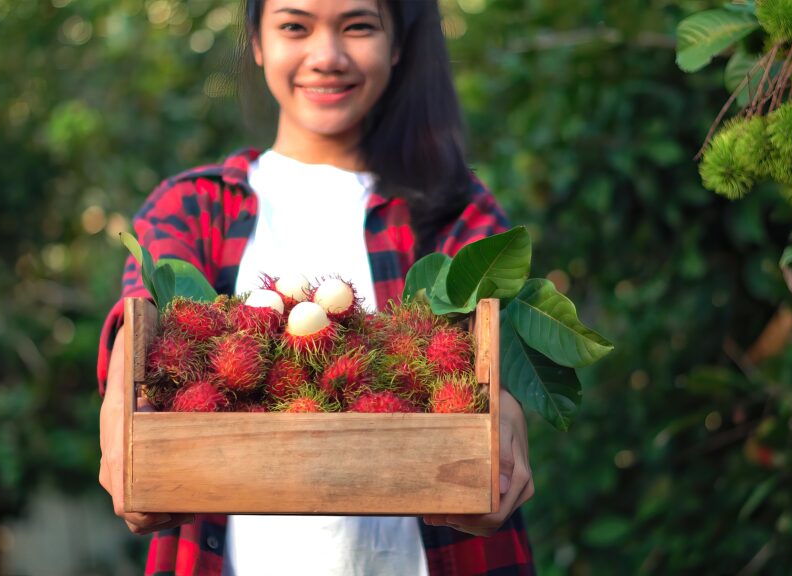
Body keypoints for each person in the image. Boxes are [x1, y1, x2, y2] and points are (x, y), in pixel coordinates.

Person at [96, 0, 536, 574]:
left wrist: (501, 412)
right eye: (294, 26)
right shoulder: (194, 206)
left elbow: (488, 354)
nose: (326, 56)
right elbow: (141, 322)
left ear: (398, 43)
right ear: (257, 41)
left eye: (358, 26)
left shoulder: (456, 210)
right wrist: (126, 404)